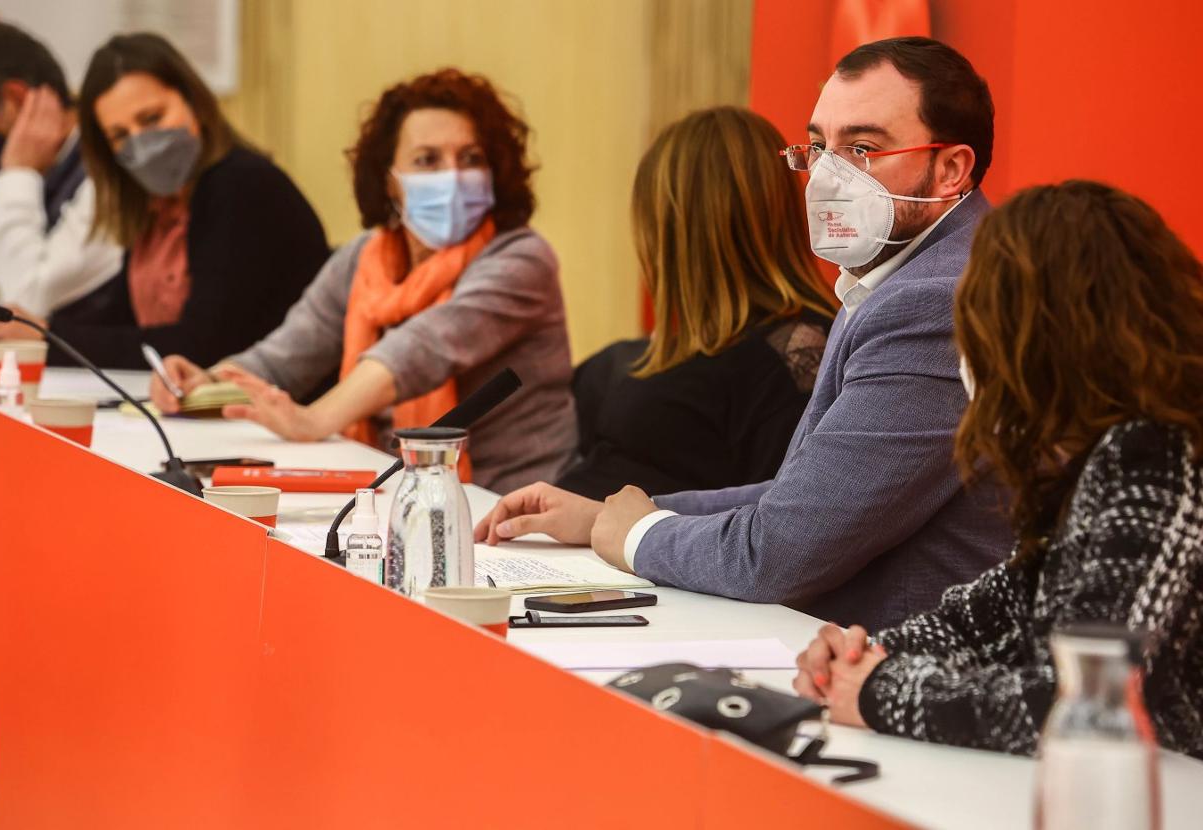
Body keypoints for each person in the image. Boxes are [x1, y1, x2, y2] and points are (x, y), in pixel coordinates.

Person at [477, 37, 1012, 630]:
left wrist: (638, 537)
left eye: (861, 148)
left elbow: (782, 550)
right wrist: (618, 515)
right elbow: (801, 496)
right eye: (817, 147)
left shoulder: (935, 301)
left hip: (903, 669)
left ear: (952, 168)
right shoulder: (906, 278)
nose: (827, 176)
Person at [794, 180, 1203, 759]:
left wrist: (879, 691)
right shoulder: (1107, 456)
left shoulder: (1157, 458)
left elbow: (1086, 704)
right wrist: (867, 656)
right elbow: (993, 614)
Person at [148, 69, 576, 495]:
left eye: (471, 158)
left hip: (508, 502)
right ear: (389, 179)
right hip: (392, 487)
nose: (453, 176)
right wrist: (207, 383)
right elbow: (286, 355)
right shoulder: (365, 257)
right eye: (428, 160)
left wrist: (314, 420)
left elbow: (420, 350)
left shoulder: (522, 259)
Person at [0, 33, 328, 370]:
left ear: (194, 101)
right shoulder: (153, 204)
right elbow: (125, 321)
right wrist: (27, 329)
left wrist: (50, 337)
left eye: (152, 118)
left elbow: (201, 345)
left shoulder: (241, 185)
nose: (141, 143)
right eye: (119, 135)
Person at [554, 106, 835, 500]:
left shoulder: (796, 350)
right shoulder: (675, 349)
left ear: (672, 227)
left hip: (635, 553)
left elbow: (777, 519)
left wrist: (603, 523)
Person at [0, 21, 120, 320]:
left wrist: (16, 173)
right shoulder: (40, 173)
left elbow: (28, 296)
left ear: (17, 99)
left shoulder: (108, 168)